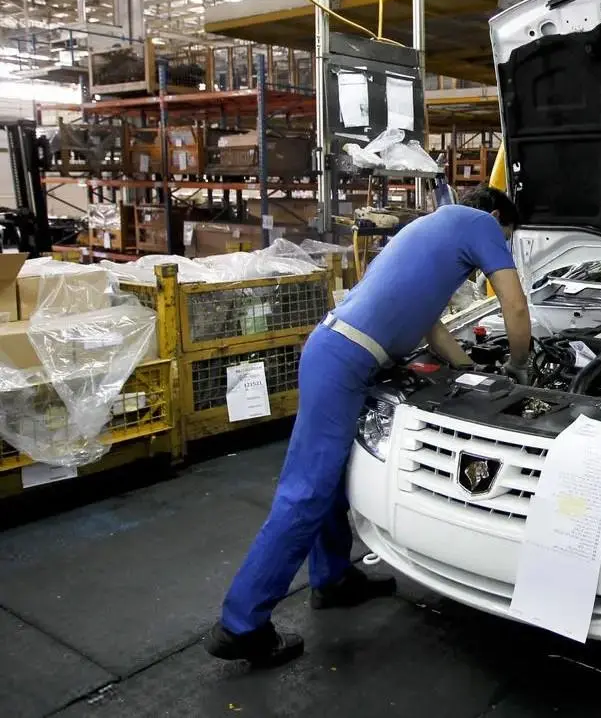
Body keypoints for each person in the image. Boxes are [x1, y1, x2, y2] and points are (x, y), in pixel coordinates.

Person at [206, 186, 534, 667]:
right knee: (305, 492)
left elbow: (430, 326)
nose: (498, 246)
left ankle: (333, 578)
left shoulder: (432, 226)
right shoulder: (480, 222)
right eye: (507, 237)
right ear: (496, 215)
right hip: (344, 359)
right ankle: (241, 625)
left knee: (328, 479)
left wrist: (472, 371)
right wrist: (520, 367)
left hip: (337, 350)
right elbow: (516, 307)